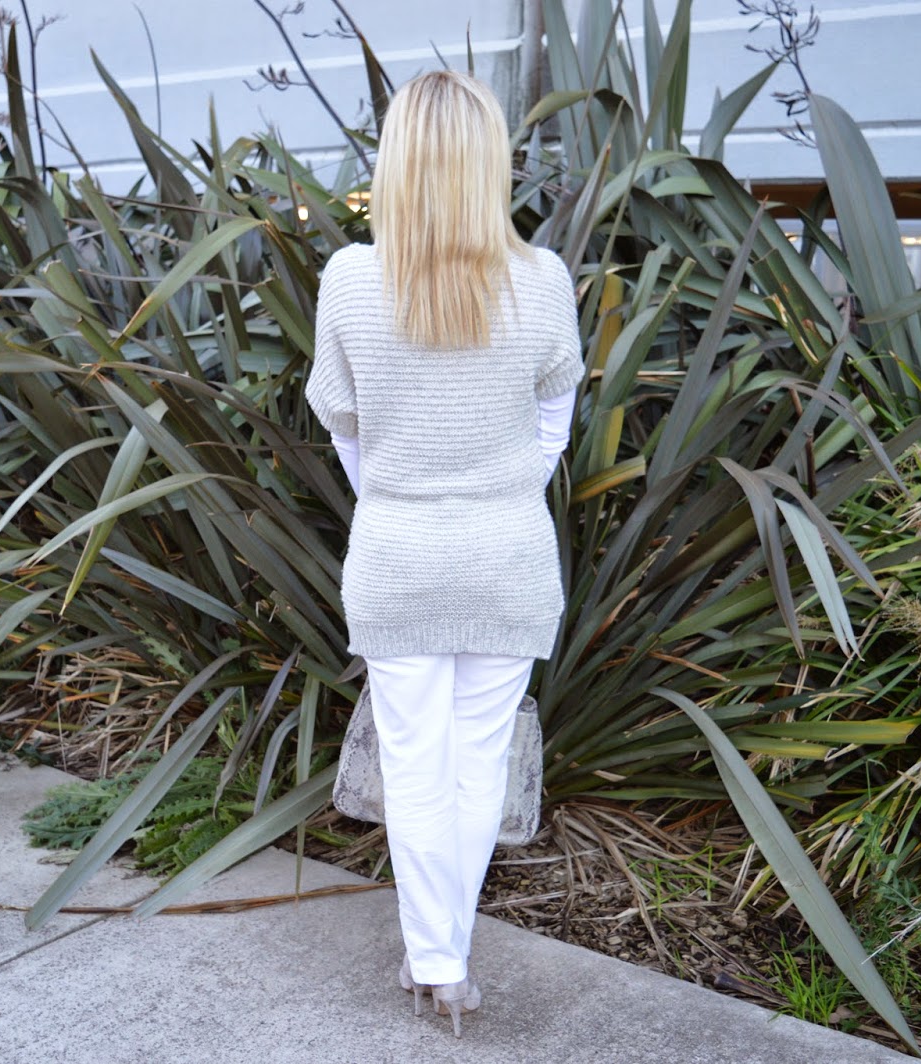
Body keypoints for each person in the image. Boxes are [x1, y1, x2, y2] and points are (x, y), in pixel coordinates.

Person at [304, 69, 584, 1038]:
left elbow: (349, 435)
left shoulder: (347, 283)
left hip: (396, 557)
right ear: (487, 165)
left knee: (415, 765)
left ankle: (436, 959)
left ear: (396, 165)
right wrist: (488, 479)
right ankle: (446, 958)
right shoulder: (543, 284)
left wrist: (409, 482)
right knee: (476, 762)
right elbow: (552, 435)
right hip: (506, 558)